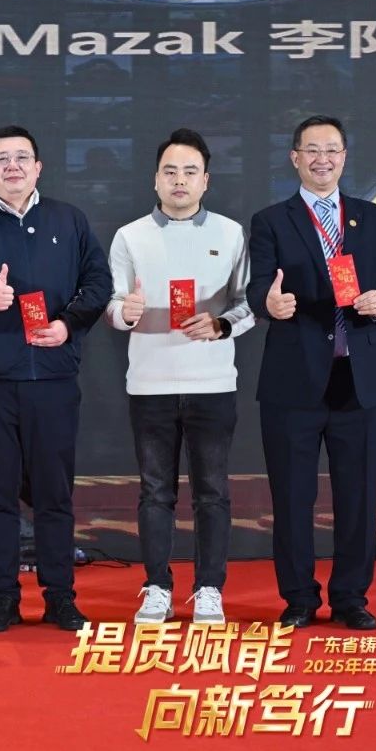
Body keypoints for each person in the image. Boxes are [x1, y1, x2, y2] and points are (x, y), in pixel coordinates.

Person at [0, 125, 113, 632]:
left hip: (55, 377)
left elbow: (98, 281)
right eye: (2, 158)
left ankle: (60, 596)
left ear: (38, 167)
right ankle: (2, 599)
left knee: (54, 494)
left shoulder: (68, 218)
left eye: (22, 157)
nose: (12, 166)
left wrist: (68, 324)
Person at [246, 115, 376, 630]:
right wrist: (270, 303)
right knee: (292, 497)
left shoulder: (373, 218)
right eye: (312, 150)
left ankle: (351, 598)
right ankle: (298, 598)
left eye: (332, 150)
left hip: (357, 379)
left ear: (344, 157)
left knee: (358, 497)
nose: (323, 159)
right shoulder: (271, 220)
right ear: (295, 157)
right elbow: (257, 288)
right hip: (293, 380)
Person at [106, 129, 254, 625]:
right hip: (150, 385)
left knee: (213, 491)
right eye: (170, 171)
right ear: (155, 180)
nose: (179, 180)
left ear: (206, 180)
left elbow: (248, 305)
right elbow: (112, 307)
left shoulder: (230, 234)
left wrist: (220, 325)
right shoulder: (130, 236)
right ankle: (156, 588)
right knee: (155, 492)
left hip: (212, 383)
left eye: (190, 171)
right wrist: (124, 313)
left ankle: (209, 588)